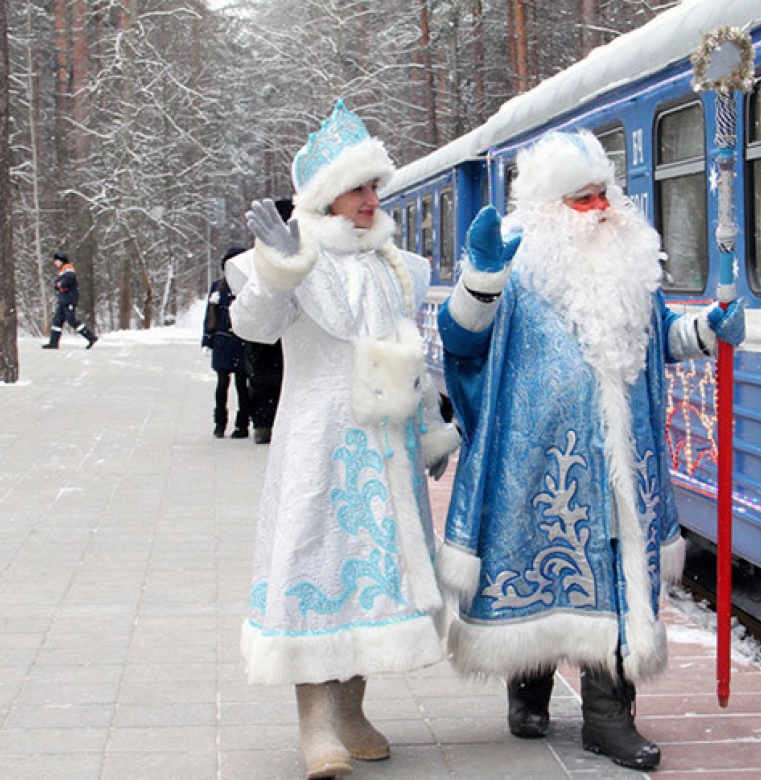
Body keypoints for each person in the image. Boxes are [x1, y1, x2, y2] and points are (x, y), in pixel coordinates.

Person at [435, 130, 746, 771]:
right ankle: (528, 684)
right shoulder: (515, 263)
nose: (602, 207)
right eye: (584, 198)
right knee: (539, 566)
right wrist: (479, 281)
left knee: (614, 571)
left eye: (604, 193)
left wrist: (706, 331)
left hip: (621, 459)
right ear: (549, 207)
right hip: (535, 458)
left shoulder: (628, 261)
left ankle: (609, 717)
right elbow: (462, 345)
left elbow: (660, 337)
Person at [226, 99, 459, 780]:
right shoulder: (293, 257)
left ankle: (352, 710)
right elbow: (254, 327)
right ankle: (317, 725)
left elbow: (408, 353)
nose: (371, 199)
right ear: (326, 195)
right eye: (358, 188)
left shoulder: (397, 265)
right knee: (316, 568)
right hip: (317, 445)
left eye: (374, 186)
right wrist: (277, 266)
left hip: (385, 451)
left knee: (375, 581)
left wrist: (430, 431)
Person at [240, 199, 292, 445]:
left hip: (267, 342)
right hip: (273, 337)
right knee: (271, 377)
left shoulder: (255, 259)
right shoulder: (255, 262)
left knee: (264, 378)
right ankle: (264, 423)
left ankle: (263, 423)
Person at [203, 247, 252, 439]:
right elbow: (210, 315)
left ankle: (242, 424)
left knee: (242, 385)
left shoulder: (247, 287)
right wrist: (208, 339)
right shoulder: (218, 287)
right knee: (222, 384)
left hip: (242, 342)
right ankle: (219, 423)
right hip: (223, 342)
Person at [42, 252, 98, 349]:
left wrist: (60, 285)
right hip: (63, 299)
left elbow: (66, 281)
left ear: (61, 260)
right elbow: (57, 284)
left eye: (56, 260)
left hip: (69, 299)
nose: (55, 263)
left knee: (71, 320)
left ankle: (90, 337)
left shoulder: (68, 269)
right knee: (57, 321)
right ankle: (53, 342)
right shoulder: (63, 270)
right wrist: (59, 285)